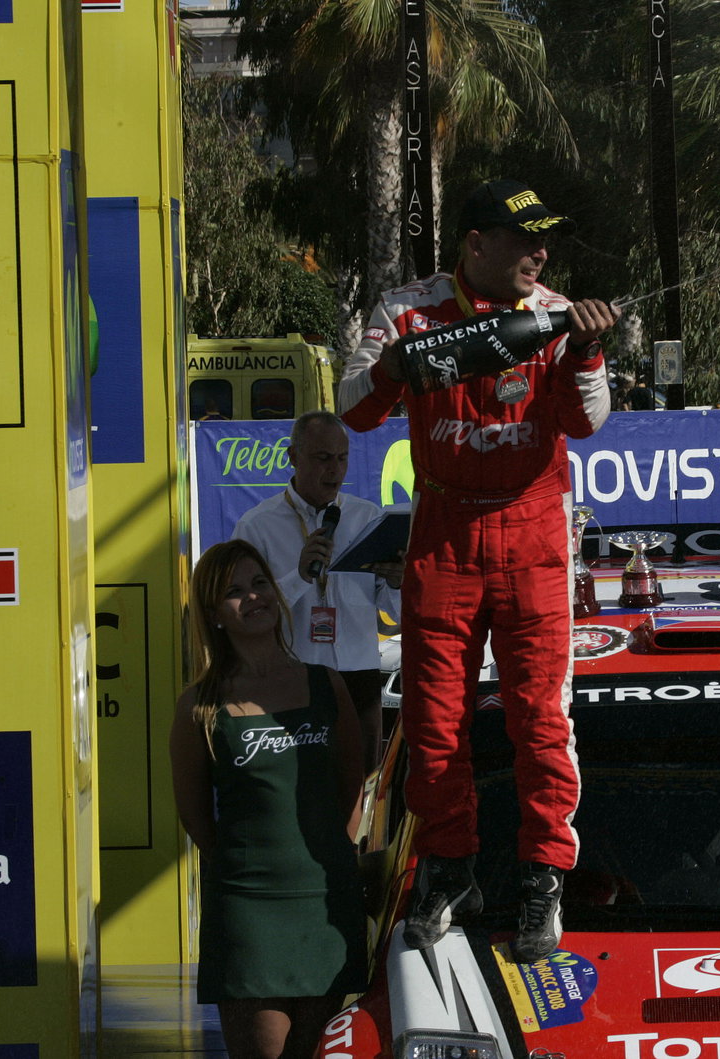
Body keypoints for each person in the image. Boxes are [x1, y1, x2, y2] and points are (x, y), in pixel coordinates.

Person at [338, 178, 619, 961]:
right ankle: (449, 869)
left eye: (545, 240)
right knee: (430, 720)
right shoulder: (407, 309)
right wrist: (397, 362)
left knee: (541, 717)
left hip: (534, 525)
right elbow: (353, 406)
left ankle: (542, 878)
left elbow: (587, 423)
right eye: (524, 239)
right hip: (444, 526)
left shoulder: (557, 312)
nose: (540, 252)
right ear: (475, 244)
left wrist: (588, 346)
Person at [169, 540, 366, 1059]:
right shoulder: (199, 706)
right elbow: (193, 815)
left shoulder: (327, 684)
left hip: (326, 905)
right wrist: (246, 867)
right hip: (248, 910)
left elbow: (353, 781)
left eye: (259, 584)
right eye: (234, 592)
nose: (252, 598)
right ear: (213, 614)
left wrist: (334, 853)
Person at [231, 410, 401, 768]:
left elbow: (396, 610)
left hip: (358, 674)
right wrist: (300, 576)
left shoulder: (367, 517)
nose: (334, 470)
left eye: (342, 459)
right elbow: (245, 614)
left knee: (361, 784)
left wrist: (399, 582)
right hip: (293, 675)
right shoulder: (257, 526)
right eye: (322, 458)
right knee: (301, 786)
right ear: (293, 457)